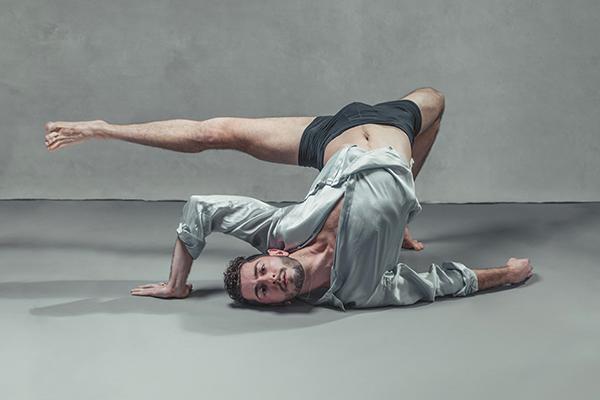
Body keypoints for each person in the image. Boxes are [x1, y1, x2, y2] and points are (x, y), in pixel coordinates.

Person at [44, 87, 534, 310]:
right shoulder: (363, 290)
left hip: (330, 139)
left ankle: (102, 128)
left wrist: (177, 283)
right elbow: (445, 282)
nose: (270, 277)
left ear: (269, 256)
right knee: (435, 99)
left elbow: (202, 207)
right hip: (390, 127)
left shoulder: (278, 233)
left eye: (260, 272)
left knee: (218, 130)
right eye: (266, 290)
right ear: (281, 300)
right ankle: (403, 201)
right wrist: (508, 275)